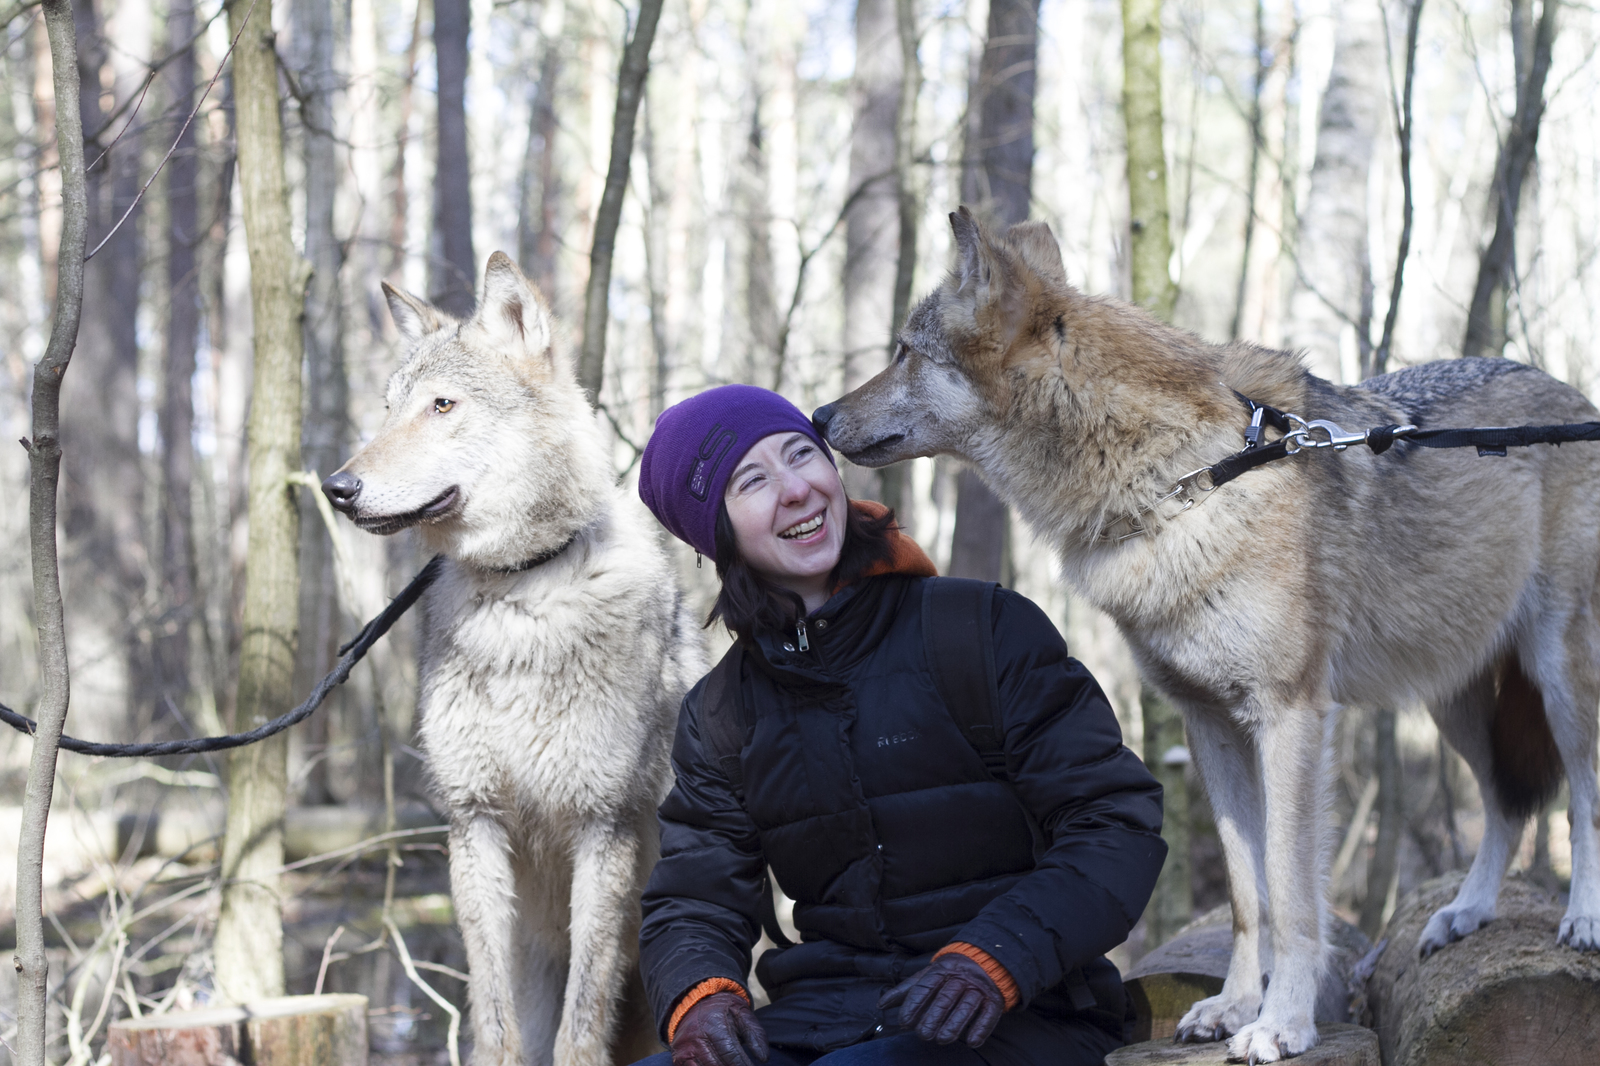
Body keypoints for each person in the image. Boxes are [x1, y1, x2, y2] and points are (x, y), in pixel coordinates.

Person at [633, 384, 1166, 1066]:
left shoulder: (981, 628)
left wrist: (994, 959)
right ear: (717, 533)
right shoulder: (720, 713)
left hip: (1027, 1013)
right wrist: (701, 998)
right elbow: (694, 897)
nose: (796, 489)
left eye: (803, 454)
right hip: (822, 1018)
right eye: (753, 480)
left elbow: (1112, 821)